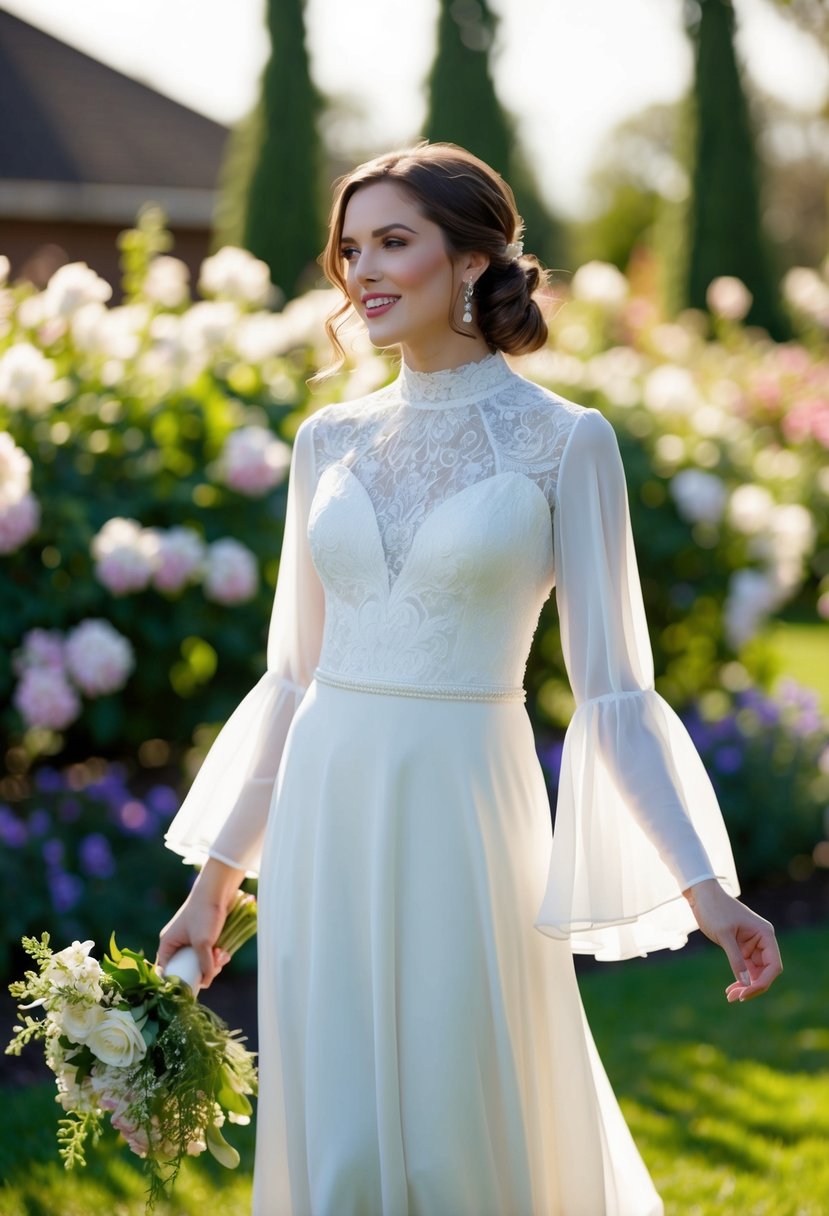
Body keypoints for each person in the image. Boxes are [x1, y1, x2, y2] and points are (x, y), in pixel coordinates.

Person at [157, 141, 782, 1215]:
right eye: (351, 248)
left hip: (465, 807)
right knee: (342, 1121)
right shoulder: (327, 440)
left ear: (472, 261)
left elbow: (613, 697)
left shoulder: (564, 443)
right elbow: (291, 679)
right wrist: (215, 879)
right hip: (326, 808)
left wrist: (705, 889)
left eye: (395, 242)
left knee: (460, 1122)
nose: (364, 271)